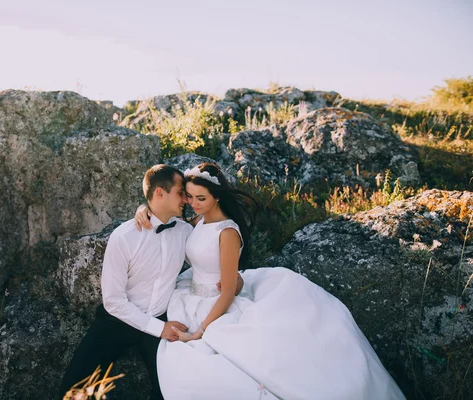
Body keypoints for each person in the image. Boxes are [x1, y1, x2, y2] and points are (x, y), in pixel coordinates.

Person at [136, 162, 406, 400]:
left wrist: (200, 332)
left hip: (216, 304)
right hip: (189, 295)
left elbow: (228, 291)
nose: (192, 204)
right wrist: (144, 209)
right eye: (190, 197)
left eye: (201, 198)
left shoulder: (227, 232)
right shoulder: (198, 221)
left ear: (216, 197)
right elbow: (168, 221)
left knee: (223, 367)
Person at [58, 164, 242, 400]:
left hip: (163, 316)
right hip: (119, 320)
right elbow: (113, 301)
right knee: (73, 388)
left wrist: (234, 282)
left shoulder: (186, 231)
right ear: (159, 193)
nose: (186, 200)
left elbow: (212, 253)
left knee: (173, 388)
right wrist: (159, 328)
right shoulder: (124, 237)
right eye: (181, 193)